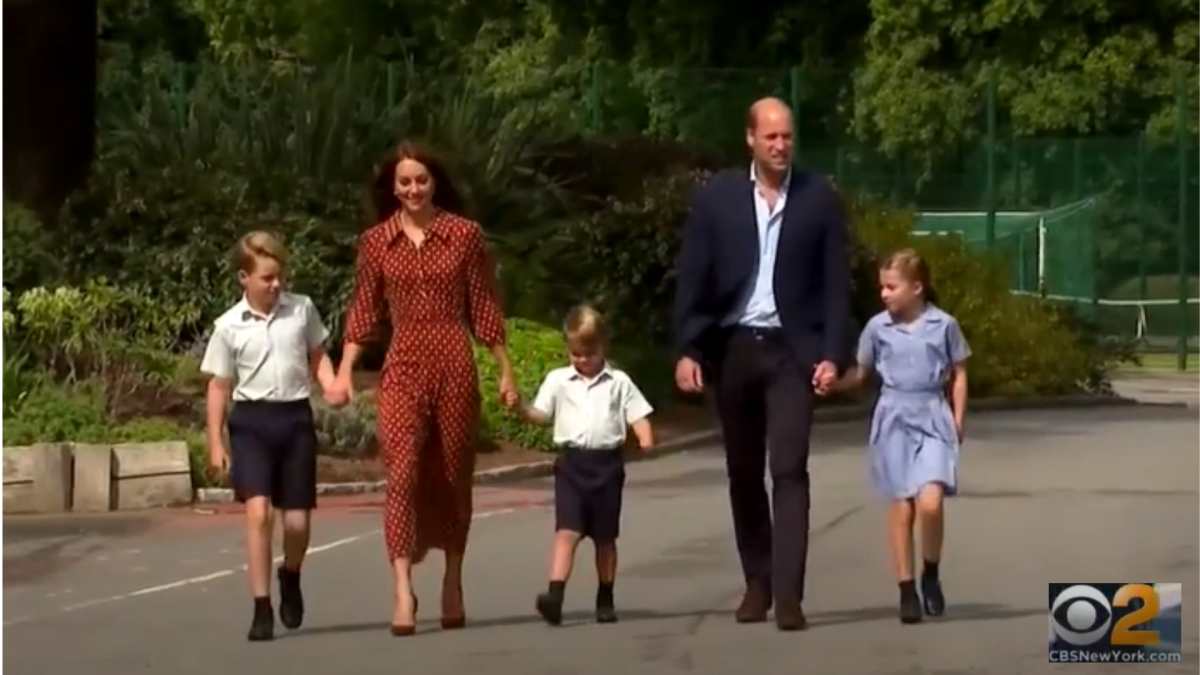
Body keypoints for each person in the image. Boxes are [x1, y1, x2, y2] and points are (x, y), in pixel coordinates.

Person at [671, 97, 851, 631]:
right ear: (750, 139)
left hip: (792, 352)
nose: (780, 146)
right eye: (770, 137)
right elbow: (693, 278)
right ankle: (758, 581)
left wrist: (833, 355)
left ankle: (790, 595)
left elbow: (837, 285)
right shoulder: (718, 198)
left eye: (787, 137)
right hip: (733, 350)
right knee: (743, 472)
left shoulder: (818, 198)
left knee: (789, 470)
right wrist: (687, 348)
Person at [325, 142, 518, 636]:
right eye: (404, 182)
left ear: (435, 183)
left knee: (453, 473)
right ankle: (401, 588)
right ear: (393, 188)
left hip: (454, 359)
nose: (413, 189)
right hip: (403, 363)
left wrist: (504, 369)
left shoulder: (464, 235)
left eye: (422, 180)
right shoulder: (376, 242)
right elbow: (364, 311)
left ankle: (453, 579)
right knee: (403, 471)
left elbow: (483, 305)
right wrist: (345, 371)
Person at [200, 231, 341, 641]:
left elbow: (318, 356)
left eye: (279, 276)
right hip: (251, 425)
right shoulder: (228, 326)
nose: (276, 285)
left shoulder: (301, 310)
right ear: (244, 278)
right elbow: (219, 387)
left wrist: (331, 385)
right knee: (258, 513)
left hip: (294, 420)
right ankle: (261, 607)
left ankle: (290, 575)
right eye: (266, 277)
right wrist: (215, 442)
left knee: (296, 524)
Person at [824, 248, 970, 623]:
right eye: (882, 288)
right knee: (901, 506)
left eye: (892, 287)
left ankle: (931, 572)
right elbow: (861, 373)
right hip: (893, 418)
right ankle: (906, 588)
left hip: (933, 416)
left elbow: (959, 373)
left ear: (917, 288)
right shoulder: (877, 328)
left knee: (931, 502)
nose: (884, 294)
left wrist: (958, 419)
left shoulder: (944, 325)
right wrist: (835, 384)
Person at [512, 305, 655, 626]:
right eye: (575, 353)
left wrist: (644, 435)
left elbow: (638, 414)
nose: (581, 360)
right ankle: (555, 595)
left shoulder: (619, 381)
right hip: (572, 465)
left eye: (588, 353)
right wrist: (521, 407)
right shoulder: (558, 380)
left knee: (605, 538)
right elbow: (541, 415)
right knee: (567, 531)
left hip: (607, 466)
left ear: (603, 347)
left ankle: (605, 597)